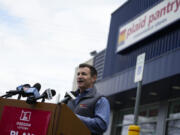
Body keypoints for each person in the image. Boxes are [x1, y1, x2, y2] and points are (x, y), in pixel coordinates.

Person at [67, 63, 110, 135]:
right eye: (78, 74)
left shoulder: (100, 100)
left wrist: (75, 118)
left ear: (93, 78)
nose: (79, 76)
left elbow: (101, 125)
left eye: (83, 74)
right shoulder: (70, 99)